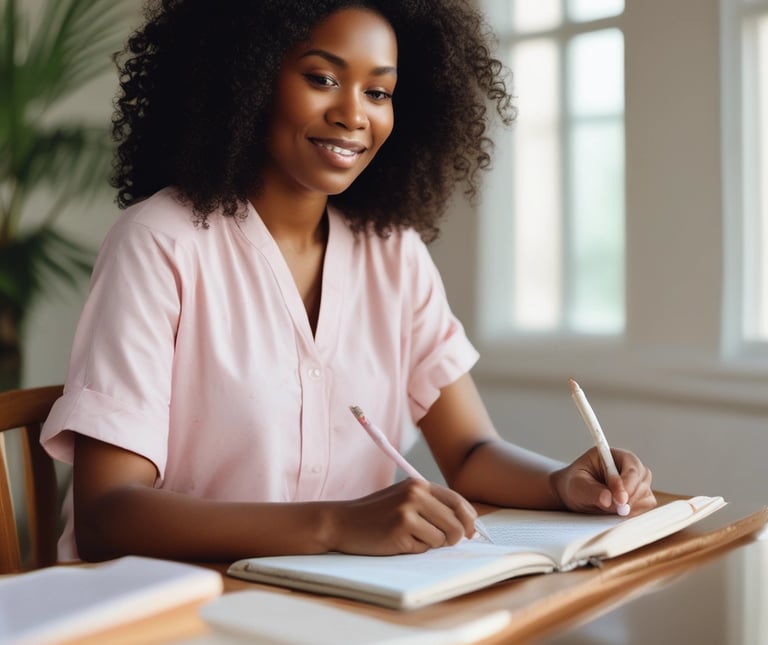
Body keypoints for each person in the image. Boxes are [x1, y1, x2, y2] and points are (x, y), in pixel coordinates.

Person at [41, 0, 656, 563]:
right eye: (322, 78)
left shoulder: (393, 254)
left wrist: (561, 482)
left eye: (379, 91)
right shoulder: (160, 243)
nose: (352, 114)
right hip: (173, 607)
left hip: (342, 608)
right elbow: (107, 514)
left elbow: (468, 452)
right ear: (247, 78)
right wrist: (335, 525)